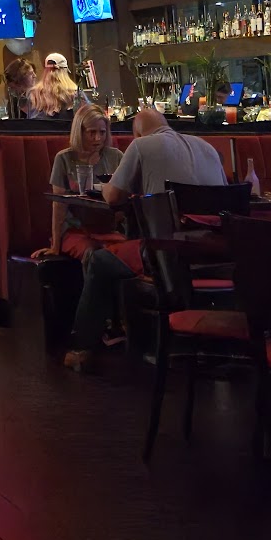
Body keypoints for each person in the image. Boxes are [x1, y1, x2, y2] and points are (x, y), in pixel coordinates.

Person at [65, 107, 226, 372]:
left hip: (168, 257)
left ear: (137, 133)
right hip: (214, 257)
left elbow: (113, 197)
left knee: (100, 261)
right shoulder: (208, 148)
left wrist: (104, 187)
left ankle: (82, 348)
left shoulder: (141, 146)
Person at [44, 105, 126, 259]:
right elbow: (59, 206)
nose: (98, 138)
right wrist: (55, 246)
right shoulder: (64, 158)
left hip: (108, 229)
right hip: (75, 230)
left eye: (102, 132)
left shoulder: (115, 156)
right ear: (79, 132)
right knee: (95, 253)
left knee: (130, 252)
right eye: (92, 132)